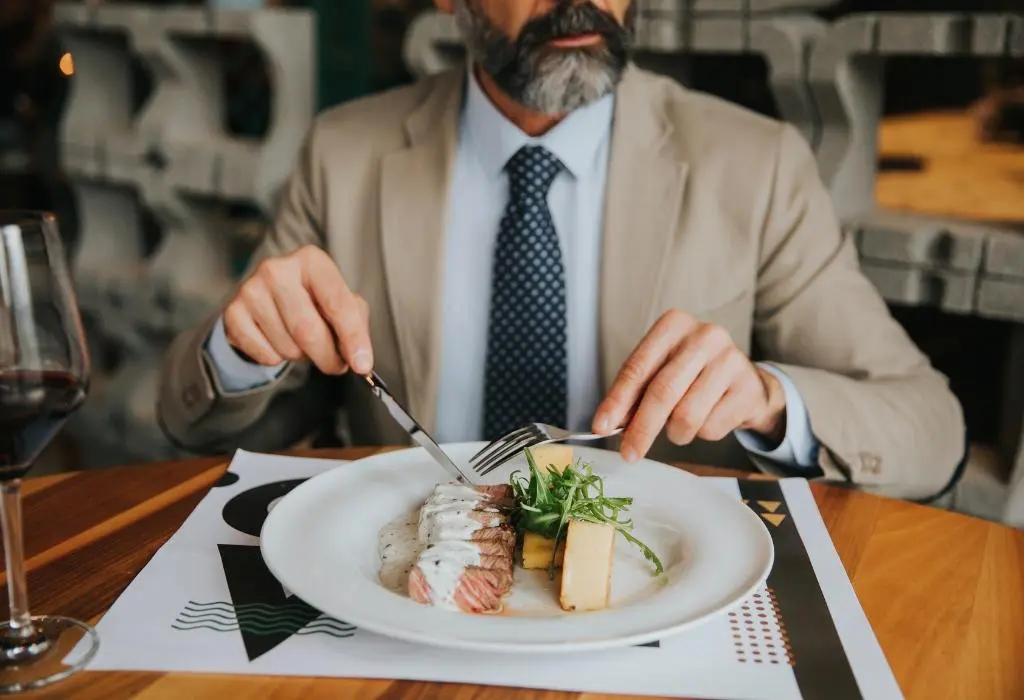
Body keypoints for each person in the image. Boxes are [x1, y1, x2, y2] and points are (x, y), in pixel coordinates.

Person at [158, 0, 965, 501]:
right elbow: (205, 431)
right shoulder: (344, 154)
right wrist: (240, 350)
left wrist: (766, 397)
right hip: (416, 595)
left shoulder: (757, 165)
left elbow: (933, 432)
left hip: (655, 610)